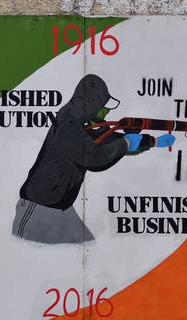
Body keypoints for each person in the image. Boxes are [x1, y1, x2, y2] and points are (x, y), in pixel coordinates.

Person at [12, 74, 175, 244]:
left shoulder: (80, 121)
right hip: (38, 208)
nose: (106, 110)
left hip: (60, 206)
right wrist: (126, 143)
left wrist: (151, 141)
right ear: (91, 104)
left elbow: (105, 138)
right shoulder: (68, 124)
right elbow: (96, 157)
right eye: (103, 106)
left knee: (87, 244)